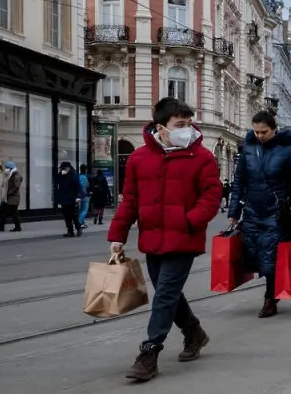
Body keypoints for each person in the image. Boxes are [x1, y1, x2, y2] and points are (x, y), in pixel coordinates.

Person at [108, 97, 221, 382]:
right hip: (152, 238)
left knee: (164, 296)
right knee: (168, 293)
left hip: (184, 238)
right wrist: (117, 236)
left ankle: (150, 351)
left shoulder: (202, 156)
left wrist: (190, 220)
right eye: (179, 124)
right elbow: (130, 200)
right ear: (161, 127)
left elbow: (211, 195)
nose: (187, 129)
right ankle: (194, 332)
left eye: (188, 123)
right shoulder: (138, 158)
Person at [227, 109, 291, 318]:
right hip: (253, 210)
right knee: (253, 253)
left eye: (264, 132)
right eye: (256, 132)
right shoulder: (248, 148)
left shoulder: (290, 151)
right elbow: (239, 181)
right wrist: (234, 211)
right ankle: (271, 293)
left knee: (271, 256)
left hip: (278, 212)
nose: (259, 136)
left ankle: (270, 298)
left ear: (274, 129)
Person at [55, 162, 82, 237]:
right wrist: (60, 174)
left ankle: (78, 228)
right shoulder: (62, 176)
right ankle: (70, 231)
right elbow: (57, 182)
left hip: (72, 198)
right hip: (64, 198)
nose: (63, 170)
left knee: (73, 215)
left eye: (63, 168)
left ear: (68, 168)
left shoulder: (74, 176)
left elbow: (78, 187)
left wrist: (78, 196)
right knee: (66, 216)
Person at [0, 161, 22, 232]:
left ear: (11, 168)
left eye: (7, 168)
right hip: (7, 197)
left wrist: (9, 193)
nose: (6, 169)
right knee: (6, 212)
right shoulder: (10, 175)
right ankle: (2, 226)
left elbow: (16, 186)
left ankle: (16, 227)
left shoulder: (16, 175)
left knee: (13, 213)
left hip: (12, 197)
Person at [78, 164, 92, 229]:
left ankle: (82, 222)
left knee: (81, 210)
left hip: (79, 195)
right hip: (85, 195)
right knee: (84, 210)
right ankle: (79, 222)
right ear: (86, 169)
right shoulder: (86, 177)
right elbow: (87, 186)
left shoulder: (78, 176)